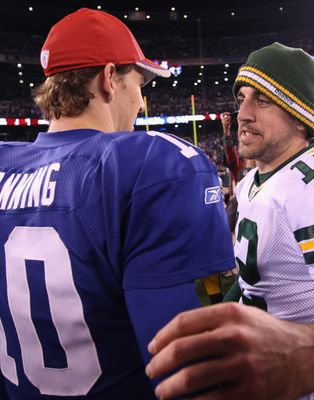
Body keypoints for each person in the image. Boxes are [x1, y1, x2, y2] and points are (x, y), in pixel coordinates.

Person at [0, 8, 235, 399]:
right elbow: (185, 370)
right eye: (139, 83)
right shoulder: (149, 164)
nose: (141, 102)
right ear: (110, 79)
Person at [145, 43, 314, 400]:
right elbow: (254, 283)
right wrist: (217, 325)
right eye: (242, 98)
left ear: (300, 116)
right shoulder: (253, 182)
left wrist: (310, 357)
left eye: (262, 100)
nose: (243, 113)